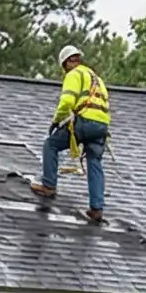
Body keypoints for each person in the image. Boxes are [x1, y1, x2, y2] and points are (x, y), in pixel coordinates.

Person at [32, 45, 111, 221]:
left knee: (51, 144)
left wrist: (56, 121)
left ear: (67, 63)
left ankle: (48, 185)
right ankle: (96, 209)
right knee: (94, 161)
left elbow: (67, 101)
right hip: (102, 125)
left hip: (86, 122)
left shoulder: (74, 74)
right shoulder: (96, 79)